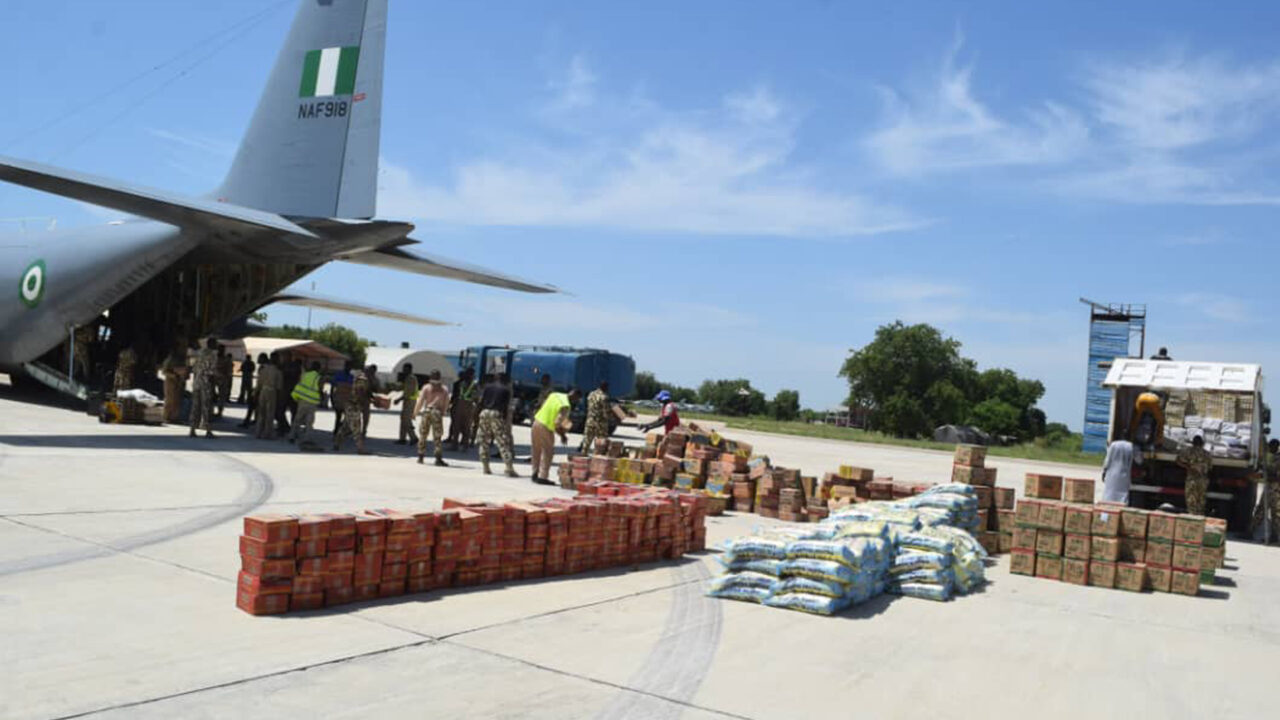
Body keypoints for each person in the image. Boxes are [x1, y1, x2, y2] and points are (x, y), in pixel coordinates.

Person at [531, 388, 580, 486]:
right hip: (546, 427)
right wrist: (563, 435)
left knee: (536, 449)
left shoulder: (555, 394)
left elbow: (546, 407)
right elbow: (557, 423)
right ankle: (542, 477)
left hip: (536, 422)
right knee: (548, 452)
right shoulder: (565, 406)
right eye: (577, 399)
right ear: (575, 397)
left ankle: (534, 473)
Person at [476, 373, 517, 477]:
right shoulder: (506, 390)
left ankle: (485, 466)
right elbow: (505, 407)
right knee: (502, 441)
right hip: (496, 413)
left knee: (483, 440)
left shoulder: (487, 387)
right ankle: (509, 467)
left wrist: (477, 415)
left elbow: (480, 402)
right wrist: (506, 421)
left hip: (485, 412)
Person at [414, 370, 451, 466]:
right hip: (437, 412)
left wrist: (415, 412)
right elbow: (447, 402)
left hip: (427, 412)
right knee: (437, 436)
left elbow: (420, 401)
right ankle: (438, 458)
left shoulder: (426, 387)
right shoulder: (444, 389)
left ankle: (420, 456)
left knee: (423, 434)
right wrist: (443, 412)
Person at [334, 365, 371, 454]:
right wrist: (364, 402)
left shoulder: (355, 379)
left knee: (345, 427)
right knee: (356, 428)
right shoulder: (362, 380)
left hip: (349, 405)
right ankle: (360, 449)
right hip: (354, 406)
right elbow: (361, 393)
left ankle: (337, 444)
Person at [1175, 434, 1213, 516]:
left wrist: (1188, 467)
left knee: (1191, 500)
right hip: (1203, 480)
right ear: (1202, 443)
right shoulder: (1207, 454)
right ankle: (1200, 517)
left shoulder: (1188, 451)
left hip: (1192, 479)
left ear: (1193, 443)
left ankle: (1192, 518)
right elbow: (1210, 467)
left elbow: (1178, 460)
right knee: (1201, 501)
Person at [188, 338, 218, 438]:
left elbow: (193, 367)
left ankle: (192, 429)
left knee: (195, 406)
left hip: (196, 382)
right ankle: (208, 430)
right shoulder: (213, 355)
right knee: (206, 406)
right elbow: (212, 372)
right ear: (212, 344)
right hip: (206, 383)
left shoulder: (198, 353)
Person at [288, 361, 323, 445]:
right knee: (309, 421)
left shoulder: (305, 375)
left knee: (297, 419)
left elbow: (299, 384)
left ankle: (292, 436)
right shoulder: (318, 377)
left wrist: (296, 396)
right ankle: (307, 438)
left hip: (302, 400)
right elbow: (320, 388)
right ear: (318, 369)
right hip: (312, 402)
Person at [1252, 439, 1279, 544]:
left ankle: (1274, 536)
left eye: (1270, 447)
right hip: (1270, 487)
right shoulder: (1271, 457)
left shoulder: (1277, 458)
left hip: (1274, 488)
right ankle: (1251, 531)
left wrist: (1263, 471)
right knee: (1262, 510)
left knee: (1274, 513)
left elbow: (1272, 471)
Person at [1100, 438, 1140, 504]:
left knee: (1109, 494)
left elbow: (1107, 461)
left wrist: (1104, 472)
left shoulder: (1113, 445)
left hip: (1111, 476)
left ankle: (1107, 511)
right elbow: (1139, 460)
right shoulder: (1131, 446)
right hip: (1124, 476)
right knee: (1123, 496)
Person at [446, 368, 475, 450]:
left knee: (457, 424)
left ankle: (455, 444)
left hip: (459, 404)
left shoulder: (461, 384)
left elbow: (455, 395)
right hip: (469, 406)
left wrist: (451, 404)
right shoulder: (474, 384)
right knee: (466, 425)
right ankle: (465, 445)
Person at [580, 380, 611, 454]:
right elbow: (605, 411)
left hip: (590, 420)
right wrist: (610, 417)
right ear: (604, 387)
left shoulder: (591, 394)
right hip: (600, 422)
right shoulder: (604, 397)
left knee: (587, 439)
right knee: (601, 440)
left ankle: (583, 454)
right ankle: (598, 456)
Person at [254, 355, 282, 439]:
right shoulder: (277, 372)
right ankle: (267, 433)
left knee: (261, 412)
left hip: (263, 390)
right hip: (272, 391)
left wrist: (256, 393)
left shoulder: (263, 370)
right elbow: (279, 386)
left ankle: (258, 432)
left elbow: (259, 383)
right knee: (270, 413)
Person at [160, 342, 188, 424]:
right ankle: (166, 417)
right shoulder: (170, 359)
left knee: (177, 400)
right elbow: (164, 371)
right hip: (170, 382)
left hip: (179, 382)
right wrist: (173, 375)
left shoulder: (183, 360)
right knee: (169, 400)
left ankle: (174, 418)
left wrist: (184, 375)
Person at [240, 353, 268, 428]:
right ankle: (252, 420)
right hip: (259, 388)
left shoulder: (264, 368)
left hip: (262, 389)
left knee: (253, 405)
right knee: (253, 405)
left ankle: (250, 421)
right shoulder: (261, 367)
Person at [395, 363, 419, 445]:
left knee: (406, 420)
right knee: (403, 419)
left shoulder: (411, 378)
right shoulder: (408, 378)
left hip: (409, 401)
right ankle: (402, 438)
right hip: (408, 400)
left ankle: (414, 437)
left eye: (405, 369)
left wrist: (398, 399)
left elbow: (408, 393)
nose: (403, 370)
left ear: (410, 369)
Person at [329, 360, 355, 433]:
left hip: (347, 400)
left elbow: (353, 389)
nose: (349, 368)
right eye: (348, 366)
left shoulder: (351, 377)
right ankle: (337, 430)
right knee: (338, 416)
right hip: (339, 399)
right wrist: (332, 398)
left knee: (348, 417)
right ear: (345, 366)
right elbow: (333, 386)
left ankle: (340, 429)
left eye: (350, 367)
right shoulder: (339, 375)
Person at [360, 363, 379, 439]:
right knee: (356, 416)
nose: (372, 372)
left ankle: (364, 431)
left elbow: (375, 389)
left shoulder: (374, 378)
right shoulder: (362, 377)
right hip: (359, 399)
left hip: (366, 400)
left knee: (366, 417)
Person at [215, 348, 233, 417]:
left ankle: (219, 411)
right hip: (220, 378)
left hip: (219, 378)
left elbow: (229, 371)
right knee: (220, 396)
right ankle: (218, 411)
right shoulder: (226, 360)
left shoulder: (215, 358)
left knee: (221, 396)